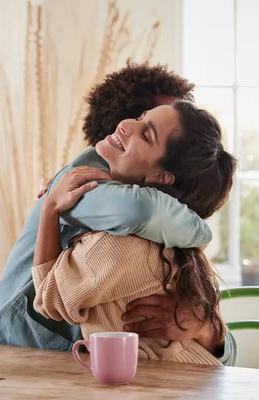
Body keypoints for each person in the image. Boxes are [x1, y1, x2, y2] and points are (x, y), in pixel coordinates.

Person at [0, 62, 236, 365]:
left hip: (82, 367)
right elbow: (138, 210)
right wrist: (199, 232)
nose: (127, 125)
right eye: (142, 122)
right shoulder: (87, 189)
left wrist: (205, 328)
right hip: (21, 346)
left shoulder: (165, 233)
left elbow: (224, 352)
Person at [33, 100, 236, 365]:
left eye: (146, 134)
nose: (126, 125)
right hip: (195, 381)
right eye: (139, 117)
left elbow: (49, 300)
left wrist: (49, 208)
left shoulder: (114, 246)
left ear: (161, 176)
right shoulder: (178, 244)